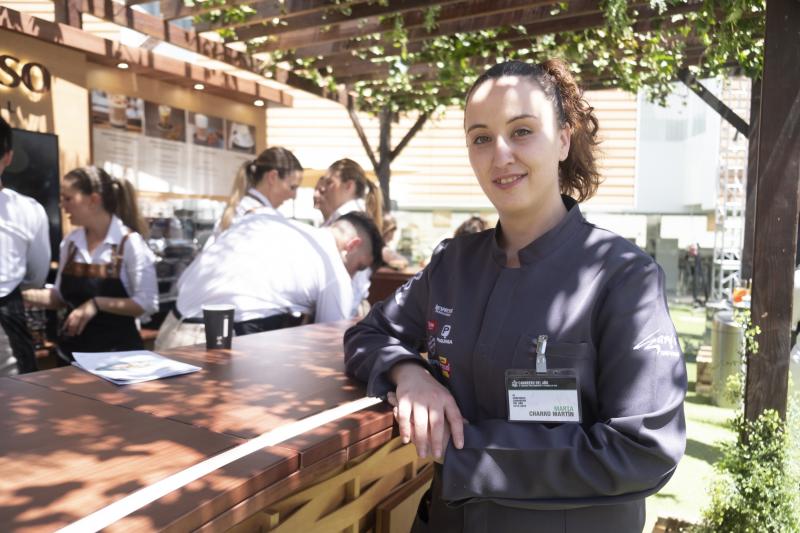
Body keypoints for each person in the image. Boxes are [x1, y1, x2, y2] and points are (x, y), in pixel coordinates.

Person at [344, 59, 687, 533]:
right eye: (481, 138)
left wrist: (468, 451)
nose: (500, 154)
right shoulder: (453, 264)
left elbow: (644, 450)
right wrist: (409, 375)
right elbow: (369, 332)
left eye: (522, 131)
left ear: (564, 139)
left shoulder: (623, 277)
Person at [155, 211, 384, 350]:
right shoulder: (332, 267)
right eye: (358, 267)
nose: (353, 277)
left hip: (170, 326)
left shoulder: (265, 223)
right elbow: (332, 345)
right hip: (216, 344)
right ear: (351, 245)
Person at [23, 166, 158, 361]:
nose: (62, 205)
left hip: (118, 360)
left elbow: (146, 303)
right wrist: (19, 295)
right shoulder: (71, 243)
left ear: (93, 200)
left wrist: (96, 304)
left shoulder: (129, 244)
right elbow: (60, 297)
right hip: (71, 357)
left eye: (68, 198)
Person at [0, 117, 51, 373]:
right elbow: (36, 276)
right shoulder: (28, 211)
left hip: (7, 321)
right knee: (16, 404)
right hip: (7, 318)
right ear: (8, 157)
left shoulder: (28, 210)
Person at [315, 158, 384, 316]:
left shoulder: (350, 223)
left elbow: (352, 279)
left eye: (330, 183)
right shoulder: (348, 218)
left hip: (347, 308)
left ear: (349, 186)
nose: (323, 188)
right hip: (345, 306)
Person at [204, 146, 303, 249]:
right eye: (292, 187)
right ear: (272, 177)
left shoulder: (237, 210)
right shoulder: (264, 218)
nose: (294, 196)